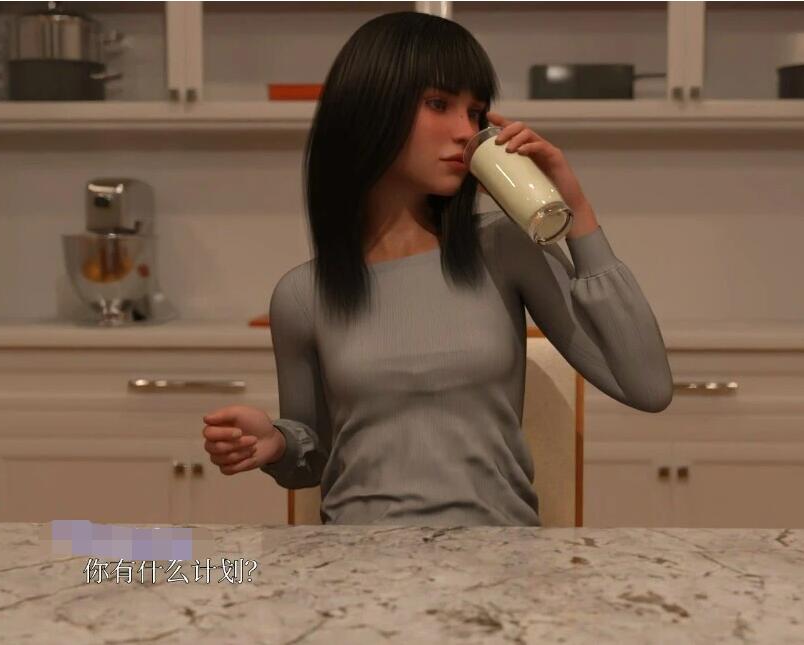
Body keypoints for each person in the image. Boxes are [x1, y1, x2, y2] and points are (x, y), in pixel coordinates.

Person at [202, 11, 672, 527]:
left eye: (476, 111)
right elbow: (312, 461)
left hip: (498, 557)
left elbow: (648, 387)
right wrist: (277, 442)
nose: (467, 132)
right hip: (356, 561)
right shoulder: (303, 295)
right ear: (369, 108)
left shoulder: (506, 248)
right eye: (438, 104)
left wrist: (573, 206)